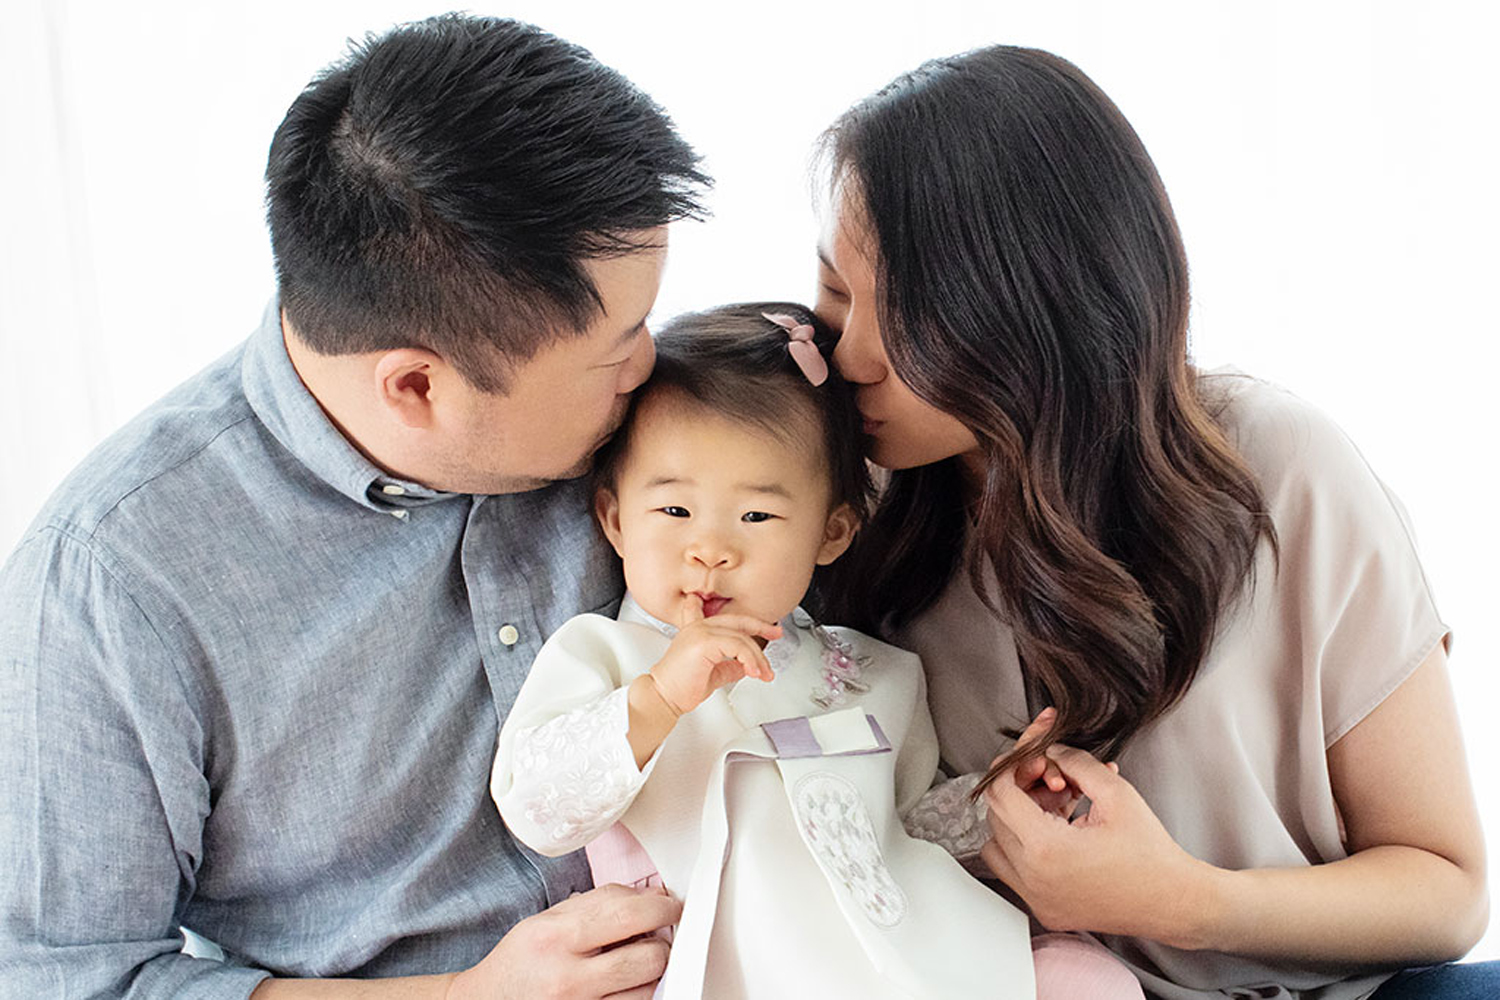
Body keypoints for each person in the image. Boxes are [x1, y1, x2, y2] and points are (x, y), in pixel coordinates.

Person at [0, 15, 709, 999]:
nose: (651, 363)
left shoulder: (653, 423)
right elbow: (69, 980)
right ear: (417, 388)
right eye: (616, 345)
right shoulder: (113, 582)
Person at [811, 45, 1495, 999]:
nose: (853, 355)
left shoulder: (1284, 471)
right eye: (835, 294)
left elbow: (1447, 890)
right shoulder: (850, 515)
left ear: (1033, 308)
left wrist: (1180, 901)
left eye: (908, 312)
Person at [490, 302, 1145, 999]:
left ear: (831, 534)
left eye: (757, 516)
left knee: (1085, 978)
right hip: (722, 964)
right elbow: (536, 809)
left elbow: (902, 828)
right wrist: (658, 700)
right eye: (675, 511)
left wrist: (995, 802)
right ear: (616, 521)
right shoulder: (603, 654)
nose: (710, 548)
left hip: (887, 954)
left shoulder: (873, 672)